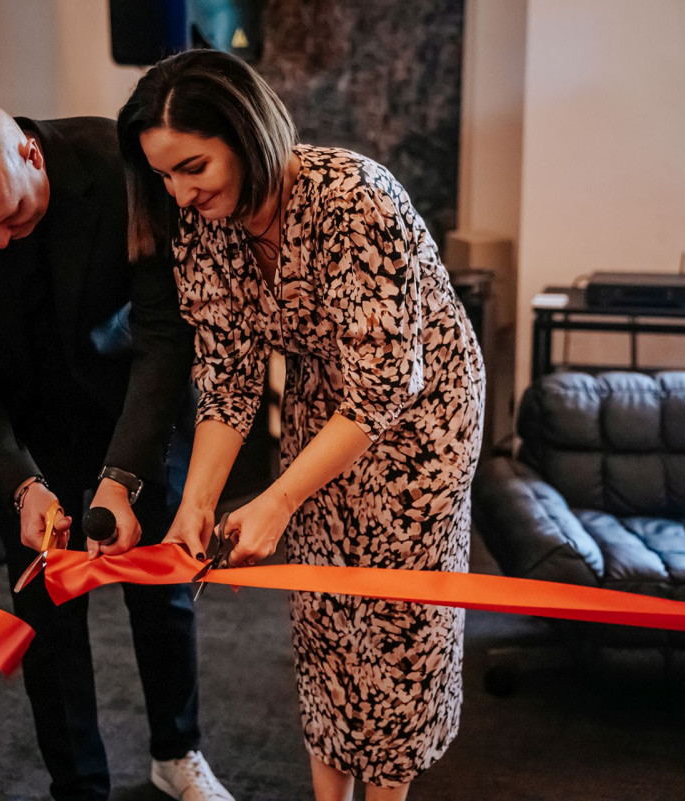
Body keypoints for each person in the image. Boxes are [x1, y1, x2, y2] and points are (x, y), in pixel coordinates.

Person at [116, 50, 485, 801]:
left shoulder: (354, 198)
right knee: (323, 616)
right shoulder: (205, 225)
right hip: (324, 406)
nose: (180, 194)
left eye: (193, 167)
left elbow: (384, 387)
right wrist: (196, 505)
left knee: (395, 629)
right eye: (164, 176)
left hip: (421, 420)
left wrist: (278, 498)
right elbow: (228, 375)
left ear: (247, 134)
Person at [0, 99, 234, 801]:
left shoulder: (118, 166)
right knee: (46, 618)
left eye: (12, 216)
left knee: (162, 592)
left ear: (32, 156)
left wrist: (123, 474)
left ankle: (177, 752)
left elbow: (164, 332)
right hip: (21, 430)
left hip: (130, 403)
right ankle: (77, 785)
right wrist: (19, 481)